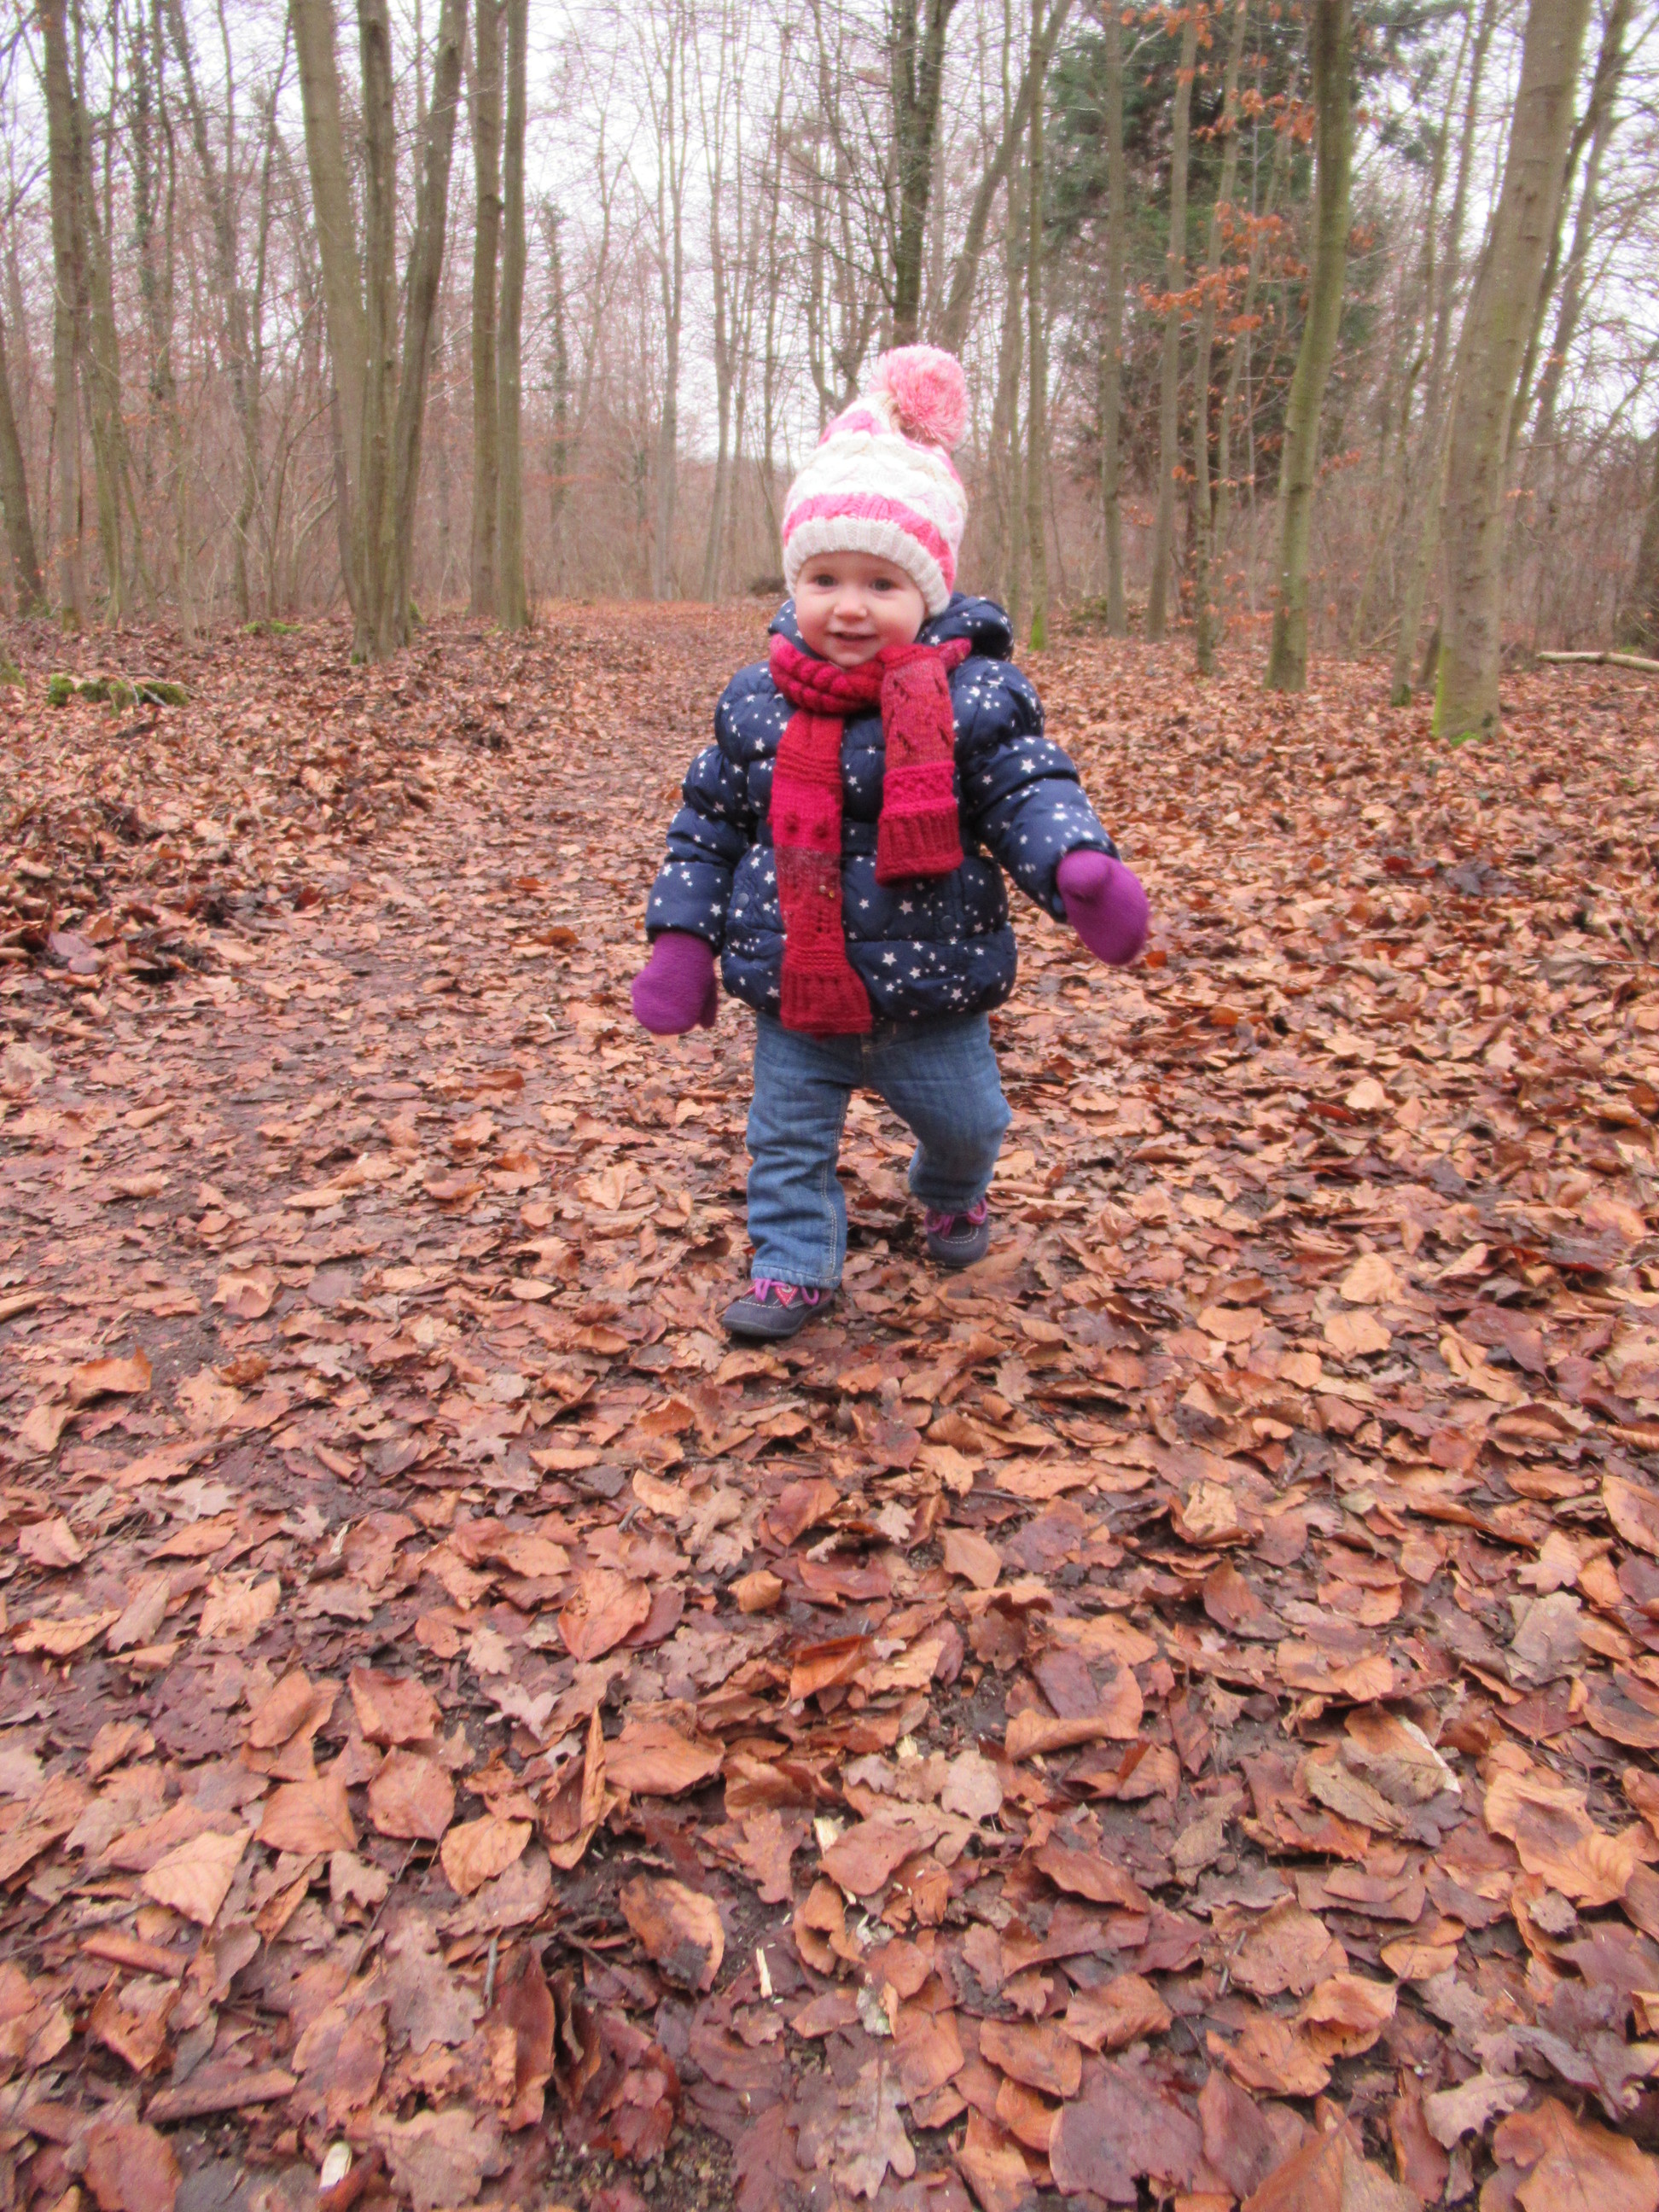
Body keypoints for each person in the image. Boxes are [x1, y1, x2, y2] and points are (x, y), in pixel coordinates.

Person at [631, 344, 1148, 1342]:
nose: (850, 605)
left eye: (881, 581)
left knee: (970, 1126)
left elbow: (1024, 787)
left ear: (929, 594)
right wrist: (682, 941)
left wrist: (1075, 865)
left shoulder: (972, 696)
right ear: (795, 582)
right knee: (785, 1142)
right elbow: (708, 825)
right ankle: (793, 1266)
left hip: (932, 989)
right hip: (797, 989)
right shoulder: (757, 701)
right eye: (825, 577)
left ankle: (949, 1194)